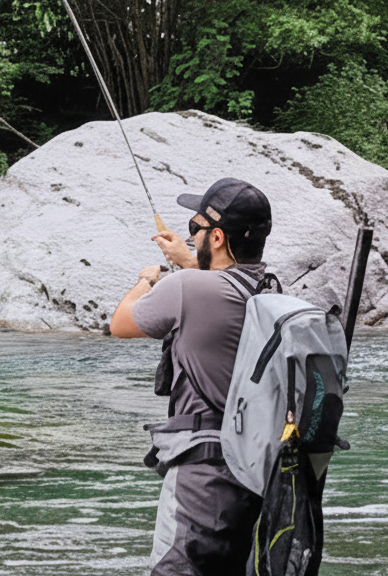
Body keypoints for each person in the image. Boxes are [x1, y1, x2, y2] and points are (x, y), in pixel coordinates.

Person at [110, 178, 274, 576]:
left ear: (216, 237)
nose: (191, 235)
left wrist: (147, 280)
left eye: (195, 229)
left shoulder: (186, 287)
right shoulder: (267, 290)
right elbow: (222, 285)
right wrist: (189, 257)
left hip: (203, 477)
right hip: (256, 472)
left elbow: (121, 323)